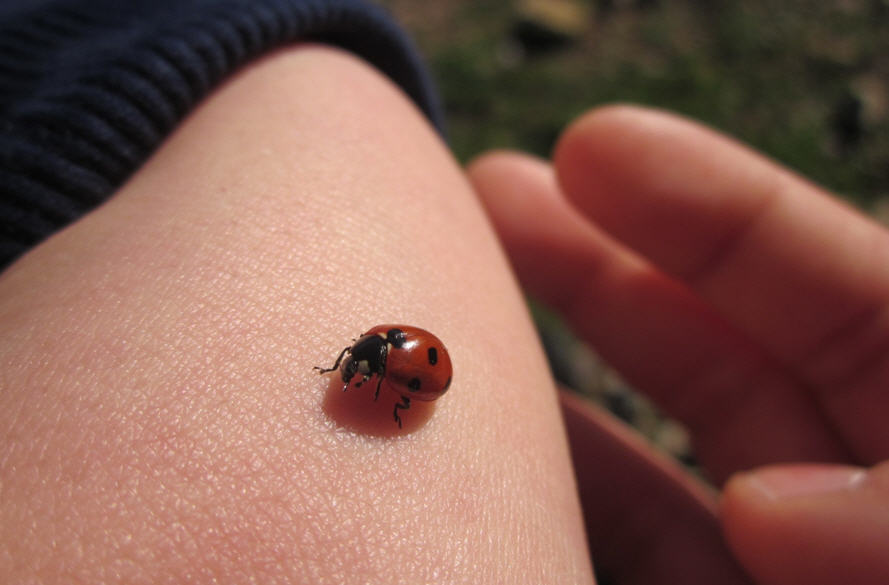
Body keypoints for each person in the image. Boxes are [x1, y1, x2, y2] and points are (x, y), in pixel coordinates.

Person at [1, 3, 887, 585]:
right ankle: (550, 364)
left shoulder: (395, 361)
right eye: (361, 365)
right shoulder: (385, 353)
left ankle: (550, 364)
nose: (353, 372)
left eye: (360, 366)